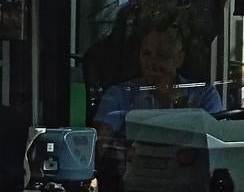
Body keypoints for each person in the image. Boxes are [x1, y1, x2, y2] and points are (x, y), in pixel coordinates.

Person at [91, 26, 224, 136]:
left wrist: (171, 101)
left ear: (179, 59)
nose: (152, 63)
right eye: (146, 54)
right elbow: (102, 139)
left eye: (162, 55)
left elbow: (214, 142)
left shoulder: (205, 95)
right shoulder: (121, 94)